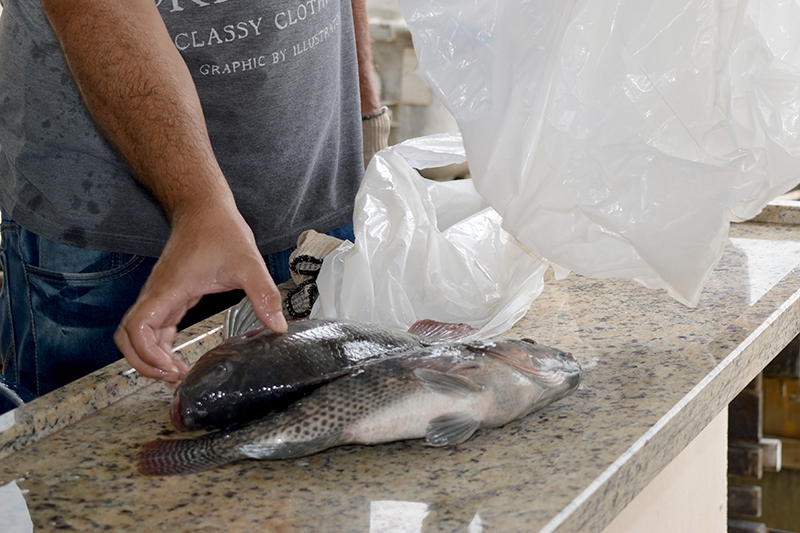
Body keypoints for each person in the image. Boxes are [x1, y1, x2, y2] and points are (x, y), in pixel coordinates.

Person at [0, 0, 388, 400]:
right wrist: (200, 205)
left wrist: (365, 108)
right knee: (98, 443)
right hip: (110, 220)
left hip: (318, 183)